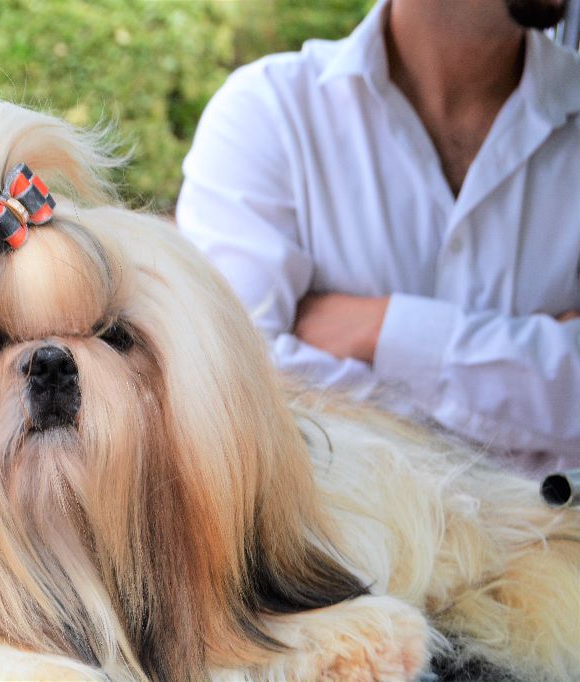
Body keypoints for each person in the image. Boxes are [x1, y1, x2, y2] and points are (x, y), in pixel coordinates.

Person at [177, 0, 580, 477]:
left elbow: (278, 395)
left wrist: (386, 330)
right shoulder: (267, 115)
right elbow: (229, 392)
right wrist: (539, 390)